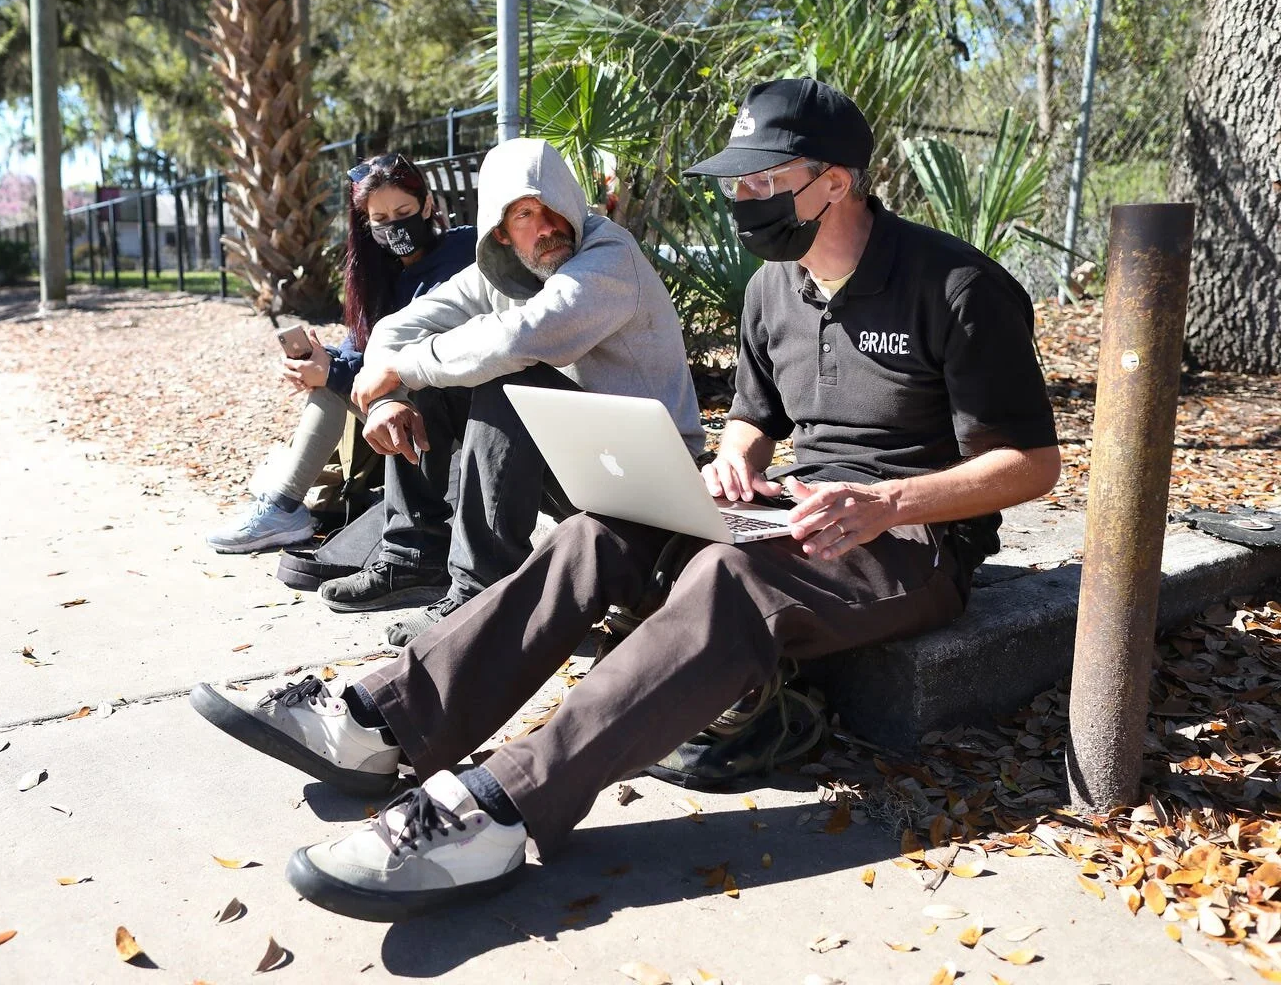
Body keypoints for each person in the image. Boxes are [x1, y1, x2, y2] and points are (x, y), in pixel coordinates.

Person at [190, 78, 1060, 922]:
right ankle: (385, 721)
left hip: (914, 546)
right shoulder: (773, 288)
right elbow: (754, 421)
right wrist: (731, 464)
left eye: (764, 180)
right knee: (598, 531)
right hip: (791, 508)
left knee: (727, 578)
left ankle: (501, 807)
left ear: (836, 180)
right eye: (737, 180)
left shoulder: (955, 287)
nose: (743, 197)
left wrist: (886, 504)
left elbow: (1031, 465)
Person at [312, 136, 704, 630]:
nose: (545, 229)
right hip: (585, 466)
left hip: (654, 481)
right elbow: (397, 327)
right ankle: (414, 555)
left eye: (551, 208)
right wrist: (389, 396)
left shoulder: (609, 257)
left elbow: (523, 337)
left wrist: (404, 369)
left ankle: (483, 598)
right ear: (500, 230)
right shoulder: (498, 270)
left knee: (506, 382)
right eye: (522, 216)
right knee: (437, 378)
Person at [206, 153, 475, 554]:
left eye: (404, 211)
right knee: (328, 376)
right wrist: (319, 362)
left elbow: (417, 362)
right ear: (366, 224)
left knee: (332, 384)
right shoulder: (378, 273)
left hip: (449, 418)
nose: (395, 226)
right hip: (400, 408)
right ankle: (284, 505)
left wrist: (331, 374)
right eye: (381, 220)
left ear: (429, 205)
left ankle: (283, 507)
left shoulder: (461, 252)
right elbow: (359, 351)